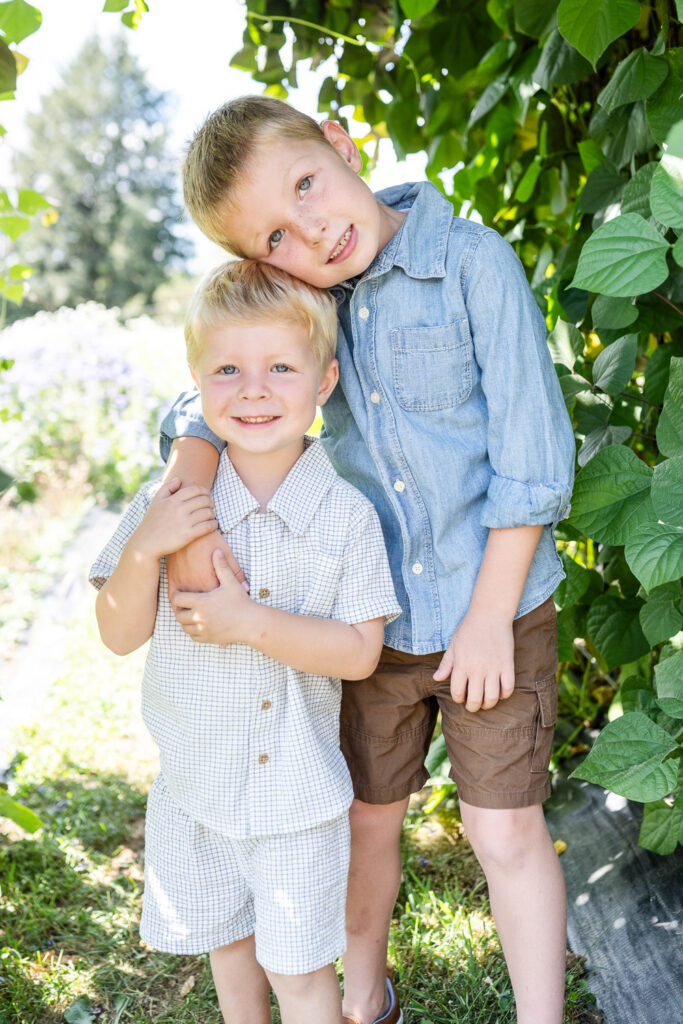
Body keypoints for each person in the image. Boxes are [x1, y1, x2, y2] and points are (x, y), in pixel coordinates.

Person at [160, 95, 576, 1024]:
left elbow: (533, 462)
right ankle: (363, 1002)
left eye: (306, 185)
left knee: (502, 828)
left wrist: (486, 620)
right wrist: (187, 498)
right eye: (275, 236)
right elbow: (209, 387)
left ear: (341, 146)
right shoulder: (304, 304)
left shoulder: (470, 264)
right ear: (259, 263)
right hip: (366, 620)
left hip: (495, 606)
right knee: (360, 823)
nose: (309, 231)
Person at [89, 259, 401, 1024]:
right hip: (194, 792)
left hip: (296, 801)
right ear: (196, 381)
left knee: (299, 975)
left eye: (280, 368)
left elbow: (358, 652)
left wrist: (247, 623)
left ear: (324, 381)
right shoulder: (167, 503)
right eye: (227, 369)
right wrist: (146, 547)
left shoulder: (347, 516)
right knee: (229, 956)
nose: (253, 390)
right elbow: (117, 634)